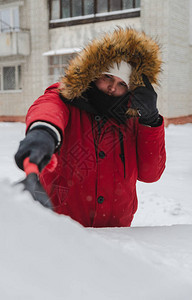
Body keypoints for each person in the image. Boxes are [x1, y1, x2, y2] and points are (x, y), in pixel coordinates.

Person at [15, 28, 166, 227]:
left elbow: (150, 174)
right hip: (63, 227)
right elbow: (48, 108)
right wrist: (43, 132)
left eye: (122, 84)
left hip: (117, 232)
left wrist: (150, 121)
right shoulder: (67, 99)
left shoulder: (132, 120)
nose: (113, 88)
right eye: (108, 78)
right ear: (93, 74)